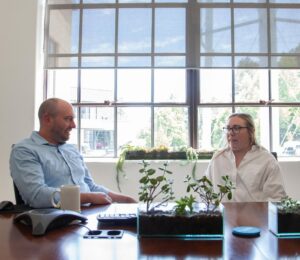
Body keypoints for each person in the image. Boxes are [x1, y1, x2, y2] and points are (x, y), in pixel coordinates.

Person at [10, 98, 136, 208]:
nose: (74, 125)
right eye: (68, 119)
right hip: (55, 221)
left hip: (87, 215)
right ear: (47, 119)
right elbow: (36, 195)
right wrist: (89, 198)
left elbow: (90, 186)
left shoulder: (71, 149)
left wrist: (125, 200)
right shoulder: (25, 150)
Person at [205, 113, 286, 202]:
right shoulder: (218, 159)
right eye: (228, 128)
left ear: (251, 131)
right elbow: (206, 192)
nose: (231, 133)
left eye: (236, 128)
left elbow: (277, 198)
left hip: (256, 215)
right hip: (222, 215)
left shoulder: (267, 161)